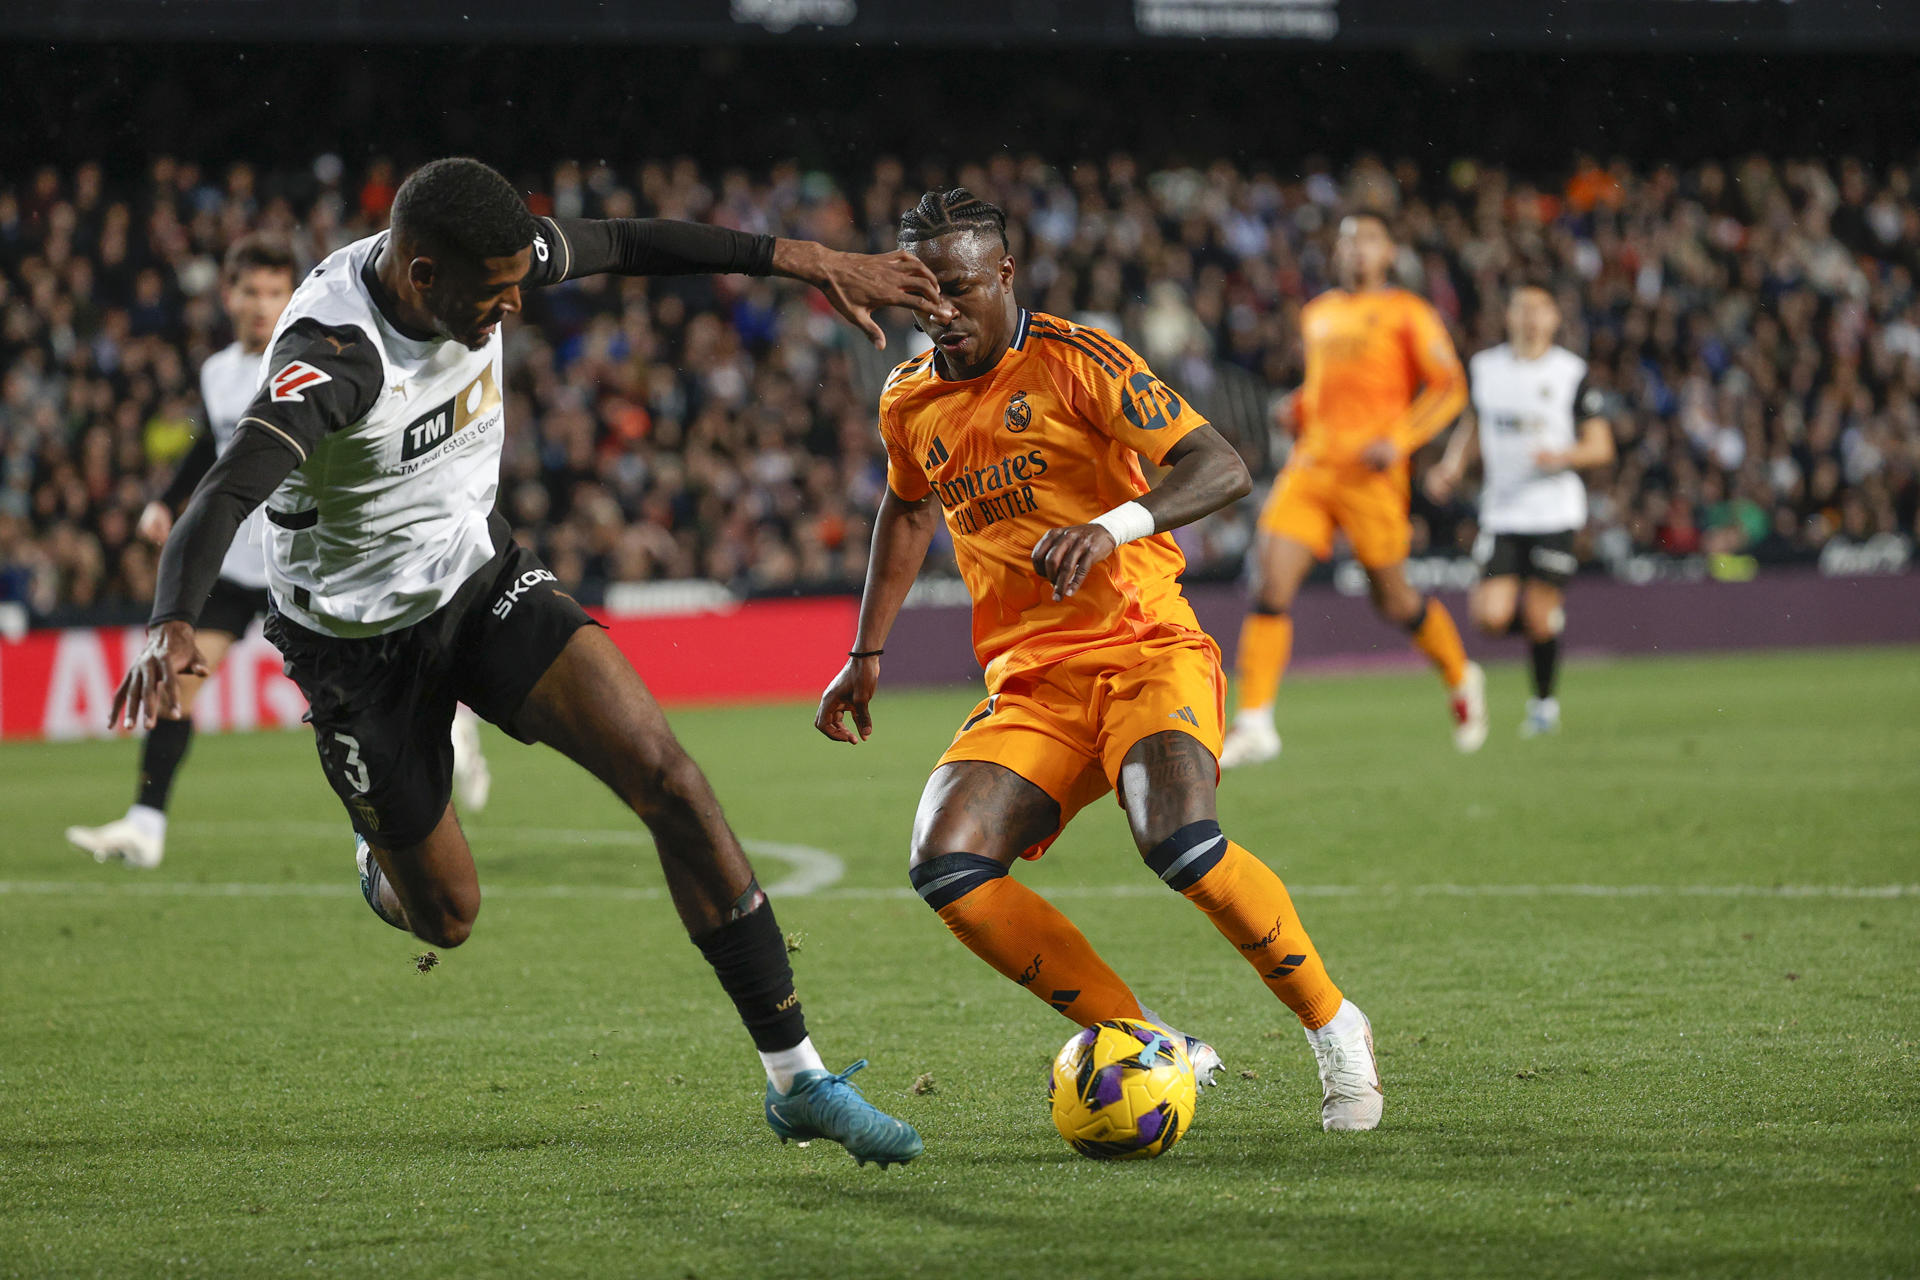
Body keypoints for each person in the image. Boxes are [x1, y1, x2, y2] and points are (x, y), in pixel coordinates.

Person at [111, 157, 950, 1166]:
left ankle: (797, 1076)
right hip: (353, 650)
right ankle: (382, 854)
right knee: (448, 915)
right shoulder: (333, 358)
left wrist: (805, 259)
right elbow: (221, 494)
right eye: (493, 291)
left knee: (669, 777)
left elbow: (632, 242)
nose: (515, 304)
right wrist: (170, 620)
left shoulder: (488, 263)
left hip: (477, 578)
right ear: (421, 275)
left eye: (520, 280)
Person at [815, 189, 1383, 1133]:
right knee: (947, 862)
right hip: (1031, 683)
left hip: (1143, 648)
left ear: (1005, 273)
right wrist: (864, 652)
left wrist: (1110, 526)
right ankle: (1149, 1037)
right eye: (923, 296)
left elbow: (1221, 465)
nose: (938, 313)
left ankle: (1333, 1023)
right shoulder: (908, 397)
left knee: (1180, 844)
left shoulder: (1082, 361)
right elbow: (906, 510)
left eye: (956, 290)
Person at [1221, 212, 1482, 768]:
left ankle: (1461, 676)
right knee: (1271, 585)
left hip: (1373, 477)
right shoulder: (1318, 314)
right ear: (1336, 254)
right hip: (1312, 468)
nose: (1358, 250)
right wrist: (1298, 408)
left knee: (1394, 600)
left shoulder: (1408, 312)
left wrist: (1401, 438)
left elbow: (1450, 387)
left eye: (1369, 240)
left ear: (1389, 252)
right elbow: (1325, 392)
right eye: (1348, 242)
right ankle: (1256, 722)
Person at [1425, 286, 1616, 737]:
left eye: (1540, 310)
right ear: (1507, 316)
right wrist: (1453, 464)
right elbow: (1474, 423)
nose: (1530, 318)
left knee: (1535, 613)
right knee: (1490, 618)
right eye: (1522, 308)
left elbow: (1601, 445)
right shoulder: (1486, 368)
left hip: (1554, 512)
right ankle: (1546, 623)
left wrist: (1563, 456)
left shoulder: (1570, 373)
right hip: (1503, 512)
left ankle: (1544, 707)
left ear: (1554, 319)